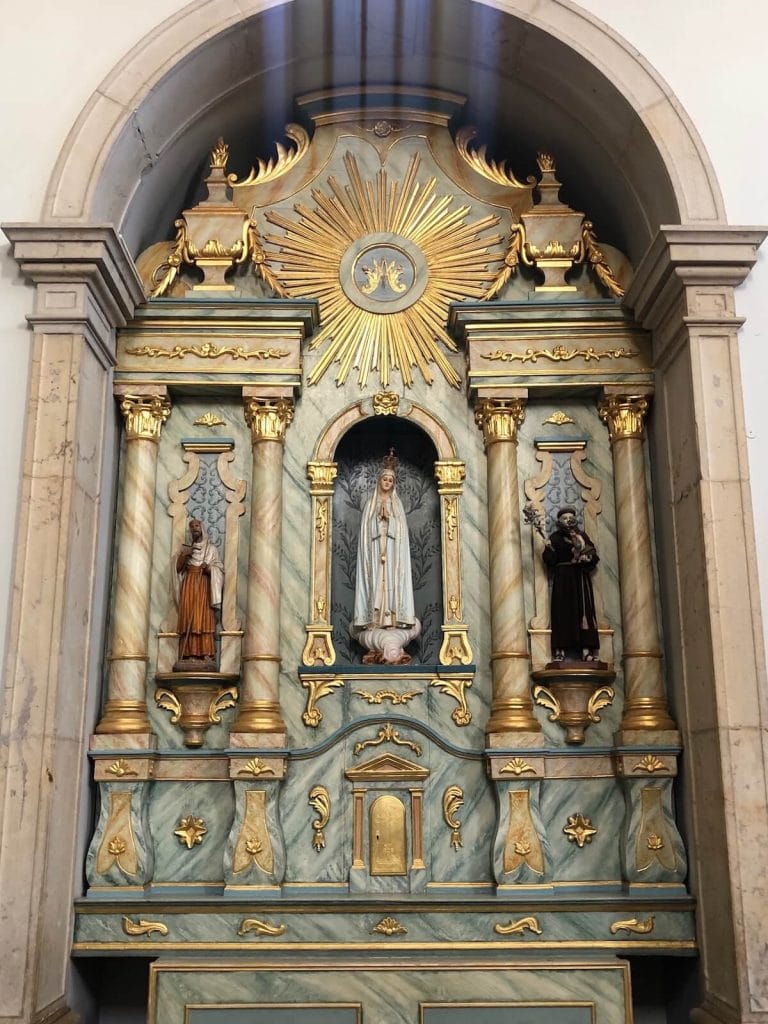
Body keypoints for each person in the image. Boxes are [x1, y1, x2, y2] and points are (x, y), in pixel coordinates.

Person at [351, 458, 419, 663]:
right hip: (374, 553)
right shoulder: (371, 504)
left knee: (390, 585)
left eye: (391, 480)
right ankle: (375, 620)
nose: (387, 483)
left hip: (391, 556)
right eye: (385, 479)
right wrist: (376, 522)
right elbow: (365, 533)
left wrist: (389, 522)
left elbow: (401, 533)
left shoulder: (396, 504)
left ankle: (391, 620)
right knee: (376, 585)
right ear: (380, 481)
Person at [542, 506, 599, 663]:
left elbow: (593, 554)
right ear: (560, 521)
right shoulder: (555, 538)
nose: (568, 520)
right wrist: (548, 549)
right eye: (565, 518)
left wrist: (587, 558)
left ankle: (586, 650)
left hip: (580, 578)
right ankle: (560, 650)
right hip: (563, 580)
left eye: (570, 518)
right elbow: (550, 561)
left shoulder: (582, 536)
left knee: (584, 613)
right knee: (562, 614)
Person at [174, 518, 224, 669]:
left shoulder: (211, 549)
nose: (194, 529)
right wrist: (184, 555)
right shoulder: (187, 548)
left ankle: (206, 654)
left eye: (197, 526)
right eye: (192, 527)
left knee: (203, 619)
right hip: (189, 583)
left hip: (204, 585)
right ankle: (188, 654)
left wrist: (209, 568)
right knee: (189, 616)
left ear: (202, 528)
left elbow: (220, 568)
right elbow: (177, 569)